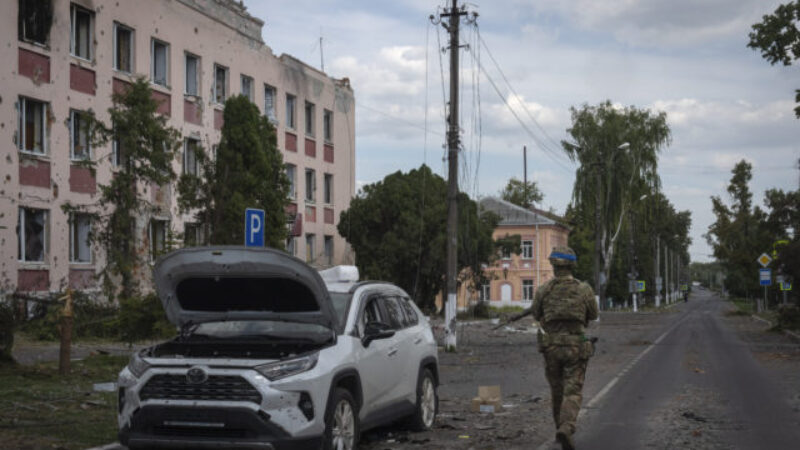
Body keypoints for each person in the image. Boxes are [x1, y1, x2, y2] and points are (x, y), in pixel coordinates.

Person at [530, 246, 598, 450]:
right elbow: (593, 315)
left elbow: (535, 314)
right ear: (572, 265)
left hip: (551, 348)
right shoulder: (583, 289)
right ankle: (566, 427)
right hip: (576, 347)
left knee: (557, 391)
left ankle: (560, 427)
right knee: (573, 391)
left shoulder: (543, 290)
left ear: (553, 265)